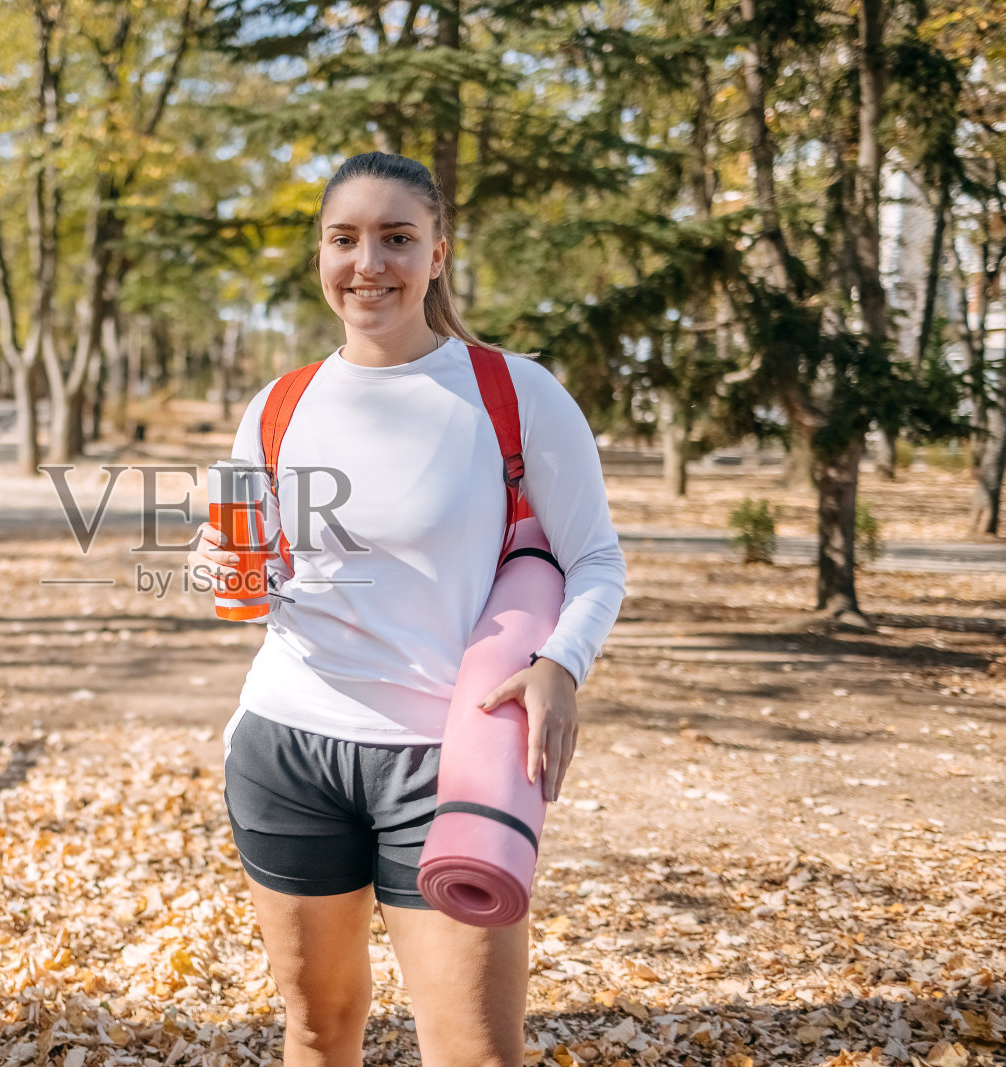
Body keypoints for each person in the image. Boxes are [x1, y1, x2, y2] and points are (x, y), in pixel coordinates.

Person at [187, 152, 626, 1067]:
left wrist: (560, 665)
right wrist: (217, 564)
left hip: (447, 764)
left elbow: (594, 558)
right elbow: (260, 572)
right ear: (321, 254)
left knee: (474, 1052)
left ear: (438, 254)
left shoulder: (515, 393)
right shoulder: (279, 404)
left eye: (397, 237)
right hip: (287, 750)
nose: (368, 263)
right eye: (344, 239)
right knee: (317, 1033)